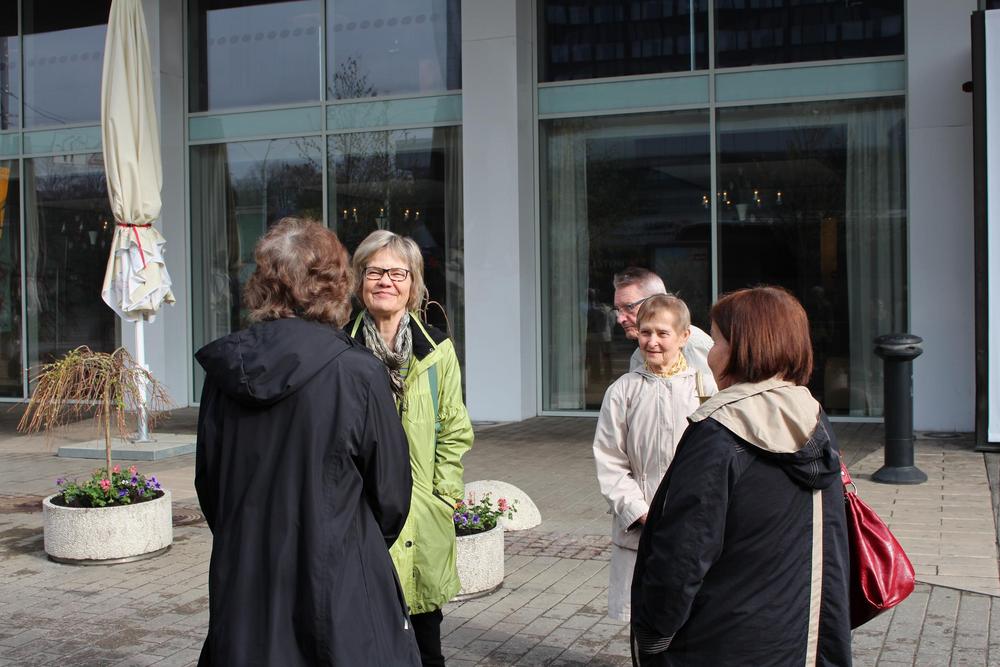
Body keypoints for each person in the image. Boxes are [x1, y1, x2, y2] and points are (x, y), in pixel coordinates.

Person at [194, 218, 420, 666]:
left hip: (248, 583)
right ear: (336, 284)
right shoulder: (358, 372)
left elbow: (211, 486)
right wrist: (343, 540)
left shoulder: (227, 371)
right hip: (337, 585)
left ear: (263, 284)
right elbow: (393, 495)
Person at [630, 286, 851, 666]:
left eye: (716, 340)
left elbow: (683, 553)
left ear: (744, 348)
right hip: (801, 639)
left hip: (719, 642)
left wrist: (653, 634)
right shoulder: (814, 418)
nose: (710, 353)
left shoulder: (718, 433)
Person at [346, 229, 474, 667]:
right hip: (359, 513)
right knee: (362, 635)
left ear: (413, 283)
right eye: (374, 271)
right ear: (359, 280)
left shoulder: (437, 350)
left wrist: (444, 495)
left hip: (422, 513)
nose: (386, 281)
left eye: (397, 273)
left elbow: (454, 429)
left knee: (425, 639)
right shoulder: (340, 348)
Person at [593, 294, 709, 623]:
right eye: (645, 332)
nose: (652, 341)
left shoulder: (705, 390)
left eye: (662, 333)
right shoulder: (622, 391)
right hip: (640, 529)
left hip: (693, 525)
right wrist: (639, 511)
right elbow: (610, 460)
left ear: (684, 336)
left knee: (693, 620)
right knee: (646, 621)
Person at [612, 268, 715, 391]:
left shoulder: (693, 344)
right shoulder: (638, 356)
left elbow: (710, 397)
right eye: (618, 309)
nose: (620, 319)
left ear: (657, 302)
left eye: (629, 307)